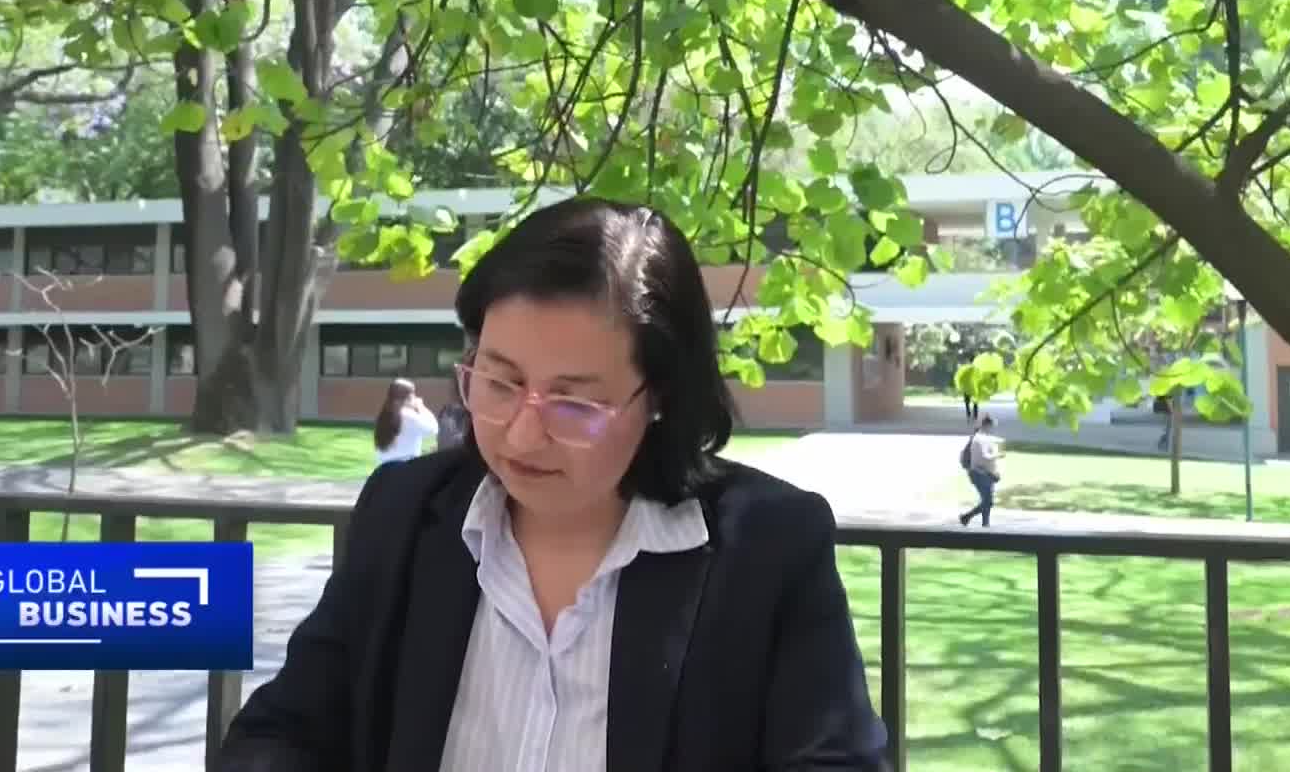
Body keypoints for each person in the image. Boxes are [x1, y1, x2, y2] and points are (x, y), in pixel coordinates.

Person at [219, 197, 887, 771]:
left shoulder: (767, 548)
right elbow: (282, 732)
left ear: (657, 397)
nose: (519, 435)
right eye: (500, 381)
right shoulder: (404, 513)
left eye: (575, 404)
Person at [373, 378, 439, 466]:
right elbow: (434, 429)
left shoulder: (384, 415)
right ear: (409, 397)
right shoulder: (408, 415)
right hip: (403, 468)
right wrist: (421, 407)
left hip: (382, 469)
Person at [960, 414, 1003, 528]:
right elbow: (984, 457)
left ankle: (985, 524)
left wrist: (995, 470)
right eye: (992, 426)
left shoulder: (983, 437)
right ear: (987, 425)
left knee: (986, 500)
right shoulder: (979, 439)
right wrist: (998, 455)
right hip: (979, 473)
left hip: (987, 473)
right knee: (988, 501)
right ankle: (966, 517)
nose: (993, 429)